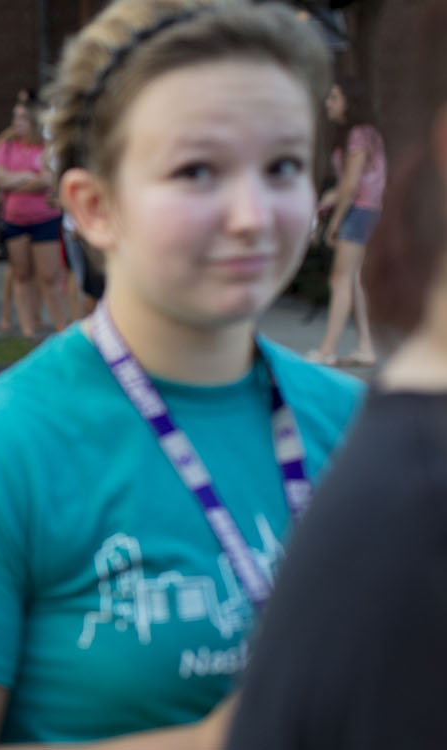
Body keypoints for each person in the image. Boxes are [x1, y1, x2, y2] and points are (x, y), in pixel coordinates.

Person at [0, 0, 363, 746]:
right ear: (92, 207)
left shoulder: (368, 431)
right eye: (197, 170)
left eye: (282, 166)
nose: (252, 215)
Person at [226, 0, 447, 745]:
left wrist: (336, 203)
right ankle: (340, 339)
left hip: (358, 217)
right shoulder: (404, 503)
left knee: (349, 279)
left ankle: (339, 339)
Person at [306, 76, 386, 367]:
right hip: (366, 209)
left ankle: (327, 350)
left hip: (359, 211)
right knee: (355, 280)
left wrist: (335, 222)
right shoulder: (364, 134)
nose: (328, 103)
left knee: (340, 279)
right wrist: (328, 199)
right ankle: (366, 348)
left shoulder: (359, 134)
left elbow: (351, 187)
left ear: (349, 102)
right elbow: (348, 185)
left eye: (334, 98)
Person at [0, 95, 70, 335]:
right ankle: (27, 331)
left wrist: (13, 182)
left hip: (45, 219)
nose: (18, 122)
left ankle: (62, 329)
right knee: (21, 274)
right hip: (13, 220)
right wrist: (28, 177)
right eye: (15, 117)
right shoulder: (6, 147)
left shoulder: (46, 148)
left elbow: (48, 179)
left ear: (34, 121)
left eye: (23, 117)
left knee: (50, 276)